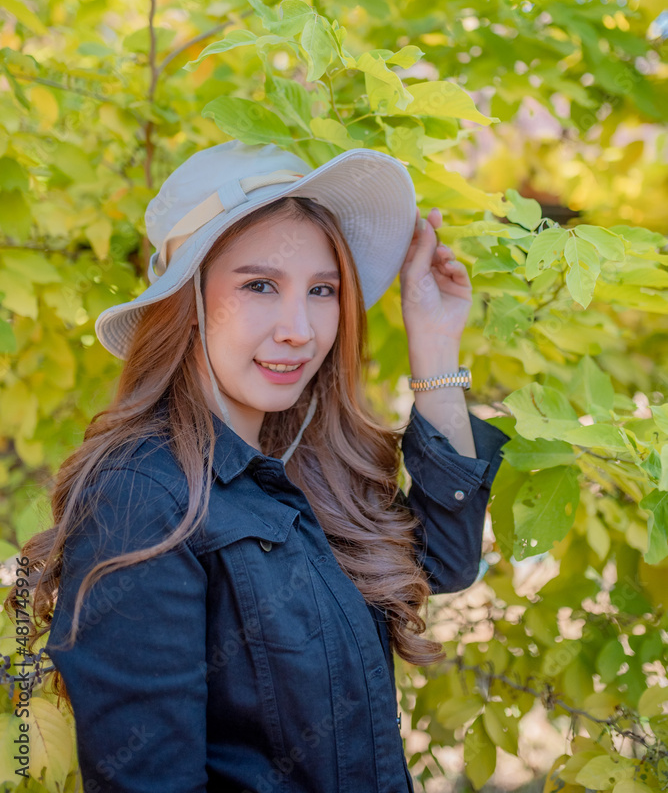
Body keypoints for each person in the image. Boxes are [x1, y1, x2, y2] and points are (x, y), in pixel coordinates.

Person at [10, 139, 510, 793]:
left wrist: (436, 345)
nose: (300, 328)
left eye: (323, 290)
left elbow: (444, 561)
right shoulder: (142, 496)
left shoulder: (309, 464)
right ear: (188, 302)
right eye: (260, 285)